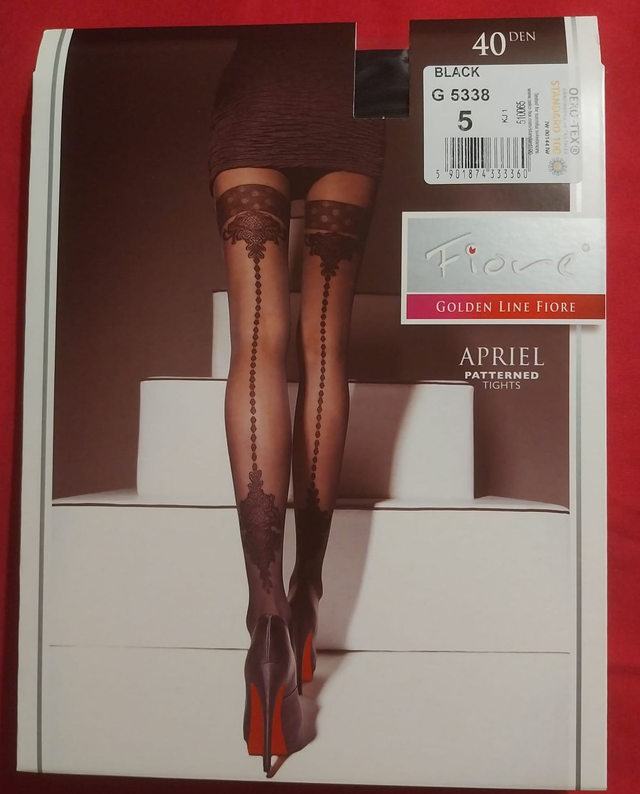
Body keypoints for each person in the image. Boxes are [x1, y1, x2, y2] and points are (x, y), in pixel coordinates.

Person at [209, 24, 385, 775]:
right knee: (324, 348)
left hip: (260, 85)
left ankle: (267, 613)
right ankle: (305, 593)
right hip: (360, 86)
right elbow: (394, 28)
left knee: (257, 341)